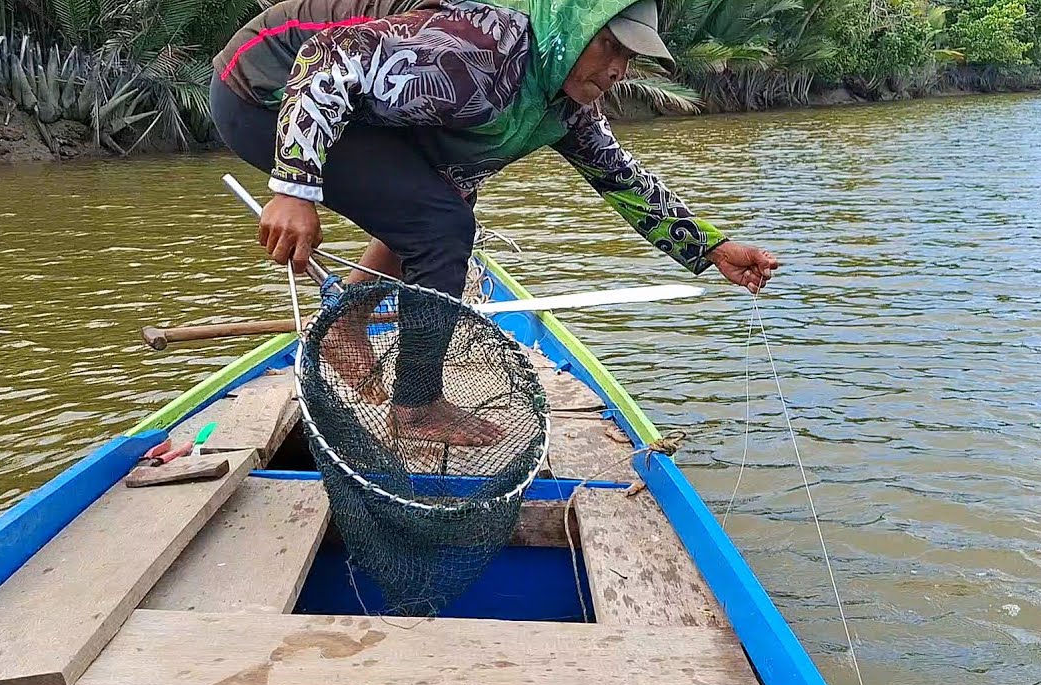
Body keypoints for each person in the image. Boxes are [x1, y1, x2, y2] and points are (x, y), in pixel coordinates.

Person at [210, 0, 778, 445]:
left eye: (630, 58)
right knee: (440, 225)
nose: (617, 70)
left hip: (344, 107)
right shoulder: (481, 53)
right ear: (573, 28)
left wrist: (711, 249)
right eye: (608, 45)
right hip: (264, 91)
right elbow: (328, 57)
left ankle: (345, 321)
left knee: (444, 202)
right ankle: (417, 405)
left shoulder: (562, 104)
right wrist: (294, 186)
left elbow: (622, 179)